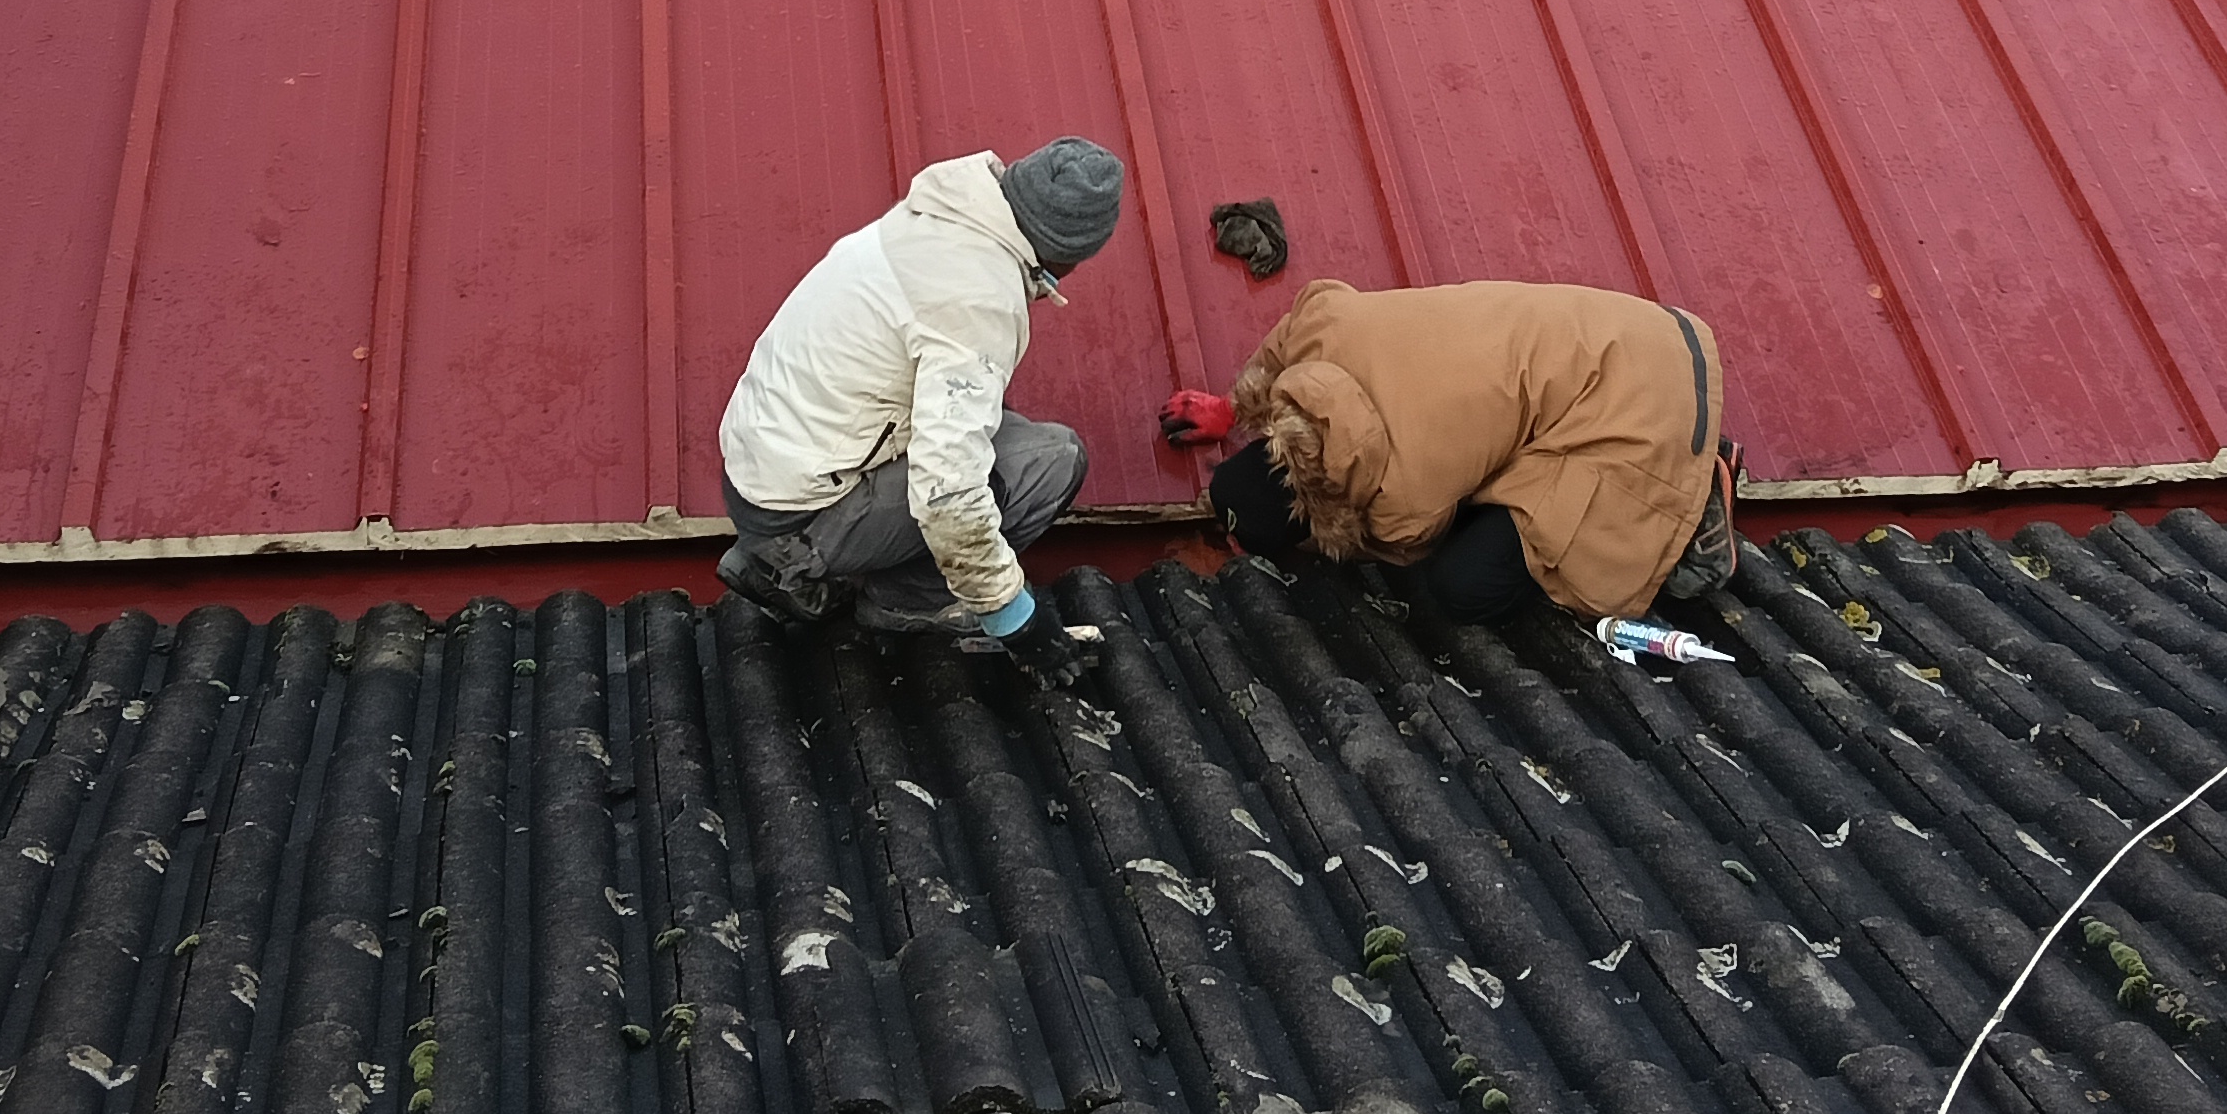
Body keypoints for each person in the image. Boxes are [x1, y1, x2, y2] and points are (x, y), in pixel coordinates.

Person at [715, 138, 1121, 679]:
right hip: (800, 511)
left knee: (1003, 429)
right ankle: (894, 598)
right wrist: (1015, 619)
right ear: (1071, 250)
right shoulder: (978, 295)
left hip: (765, 481)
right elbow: (947, 495)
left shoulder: (935, 218)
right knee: (1049, 461)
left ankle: (796, 558)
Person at [1204, 278, 1735, 626]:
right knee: (1479, 467)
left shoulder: (1403, 499)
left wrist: (1330, 541)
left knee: (1465, 588)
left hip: (1638, 396)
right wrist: (1229, 409)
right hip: (1630, 330)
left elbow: (1396, 545)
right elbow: (1275, 350)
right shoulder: (1316, 326)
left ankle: (1697, 488)